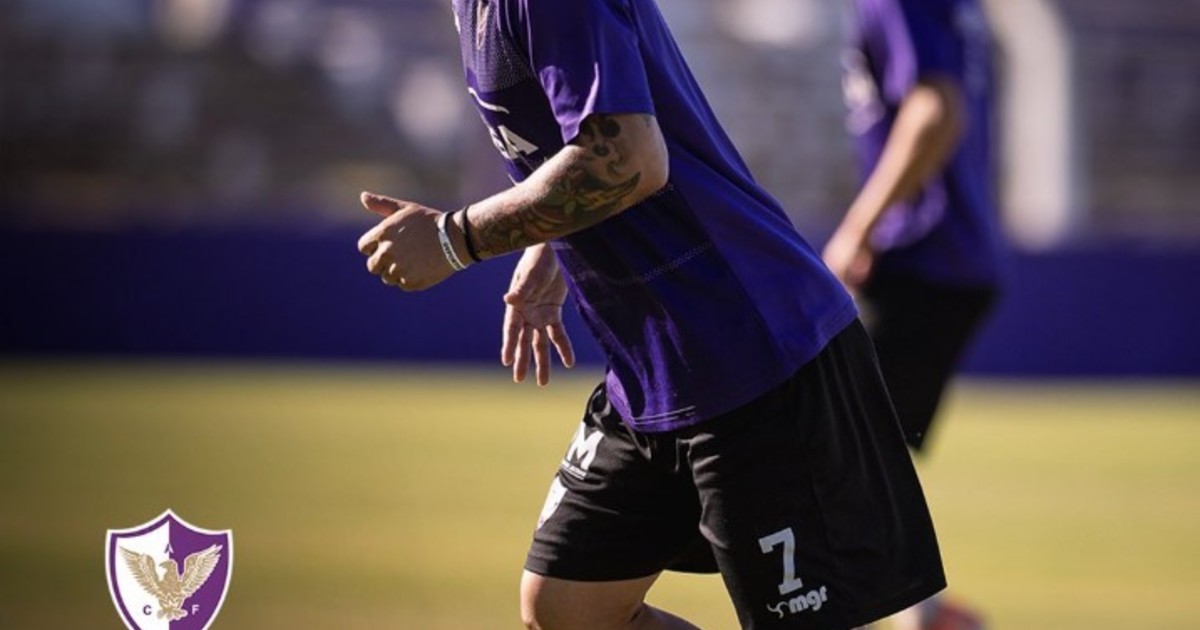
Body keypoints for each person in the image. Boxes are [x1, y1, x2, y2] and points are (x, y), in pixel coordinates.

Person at [357, 1, 945, 627]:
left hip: (754, 353)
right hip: (655, 369)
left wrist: (457, 238)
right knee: (567, 608)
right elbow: (583, 133)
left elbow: (631, 157)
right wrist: (549, 243)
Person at [827, 0, 1005, 628]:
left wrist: (859, 228)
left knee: (826, 447)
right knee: (860, 454)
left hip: (922, 256)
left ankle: (919, 615)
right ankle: (923, 614)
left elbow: (936, 108)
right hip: (952, 259)